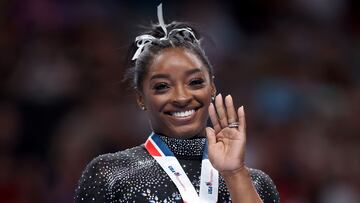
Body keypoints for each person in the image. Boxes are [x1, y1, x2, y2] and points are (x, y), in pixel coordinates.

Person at [75, 4, 280, 203]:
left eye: (195, 82)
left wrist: (235, 173)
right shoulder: (111, 174)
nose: (182, 98)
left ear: (212, 88)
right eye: (162, 86)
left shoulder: (255, 183)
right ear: (140, 98)